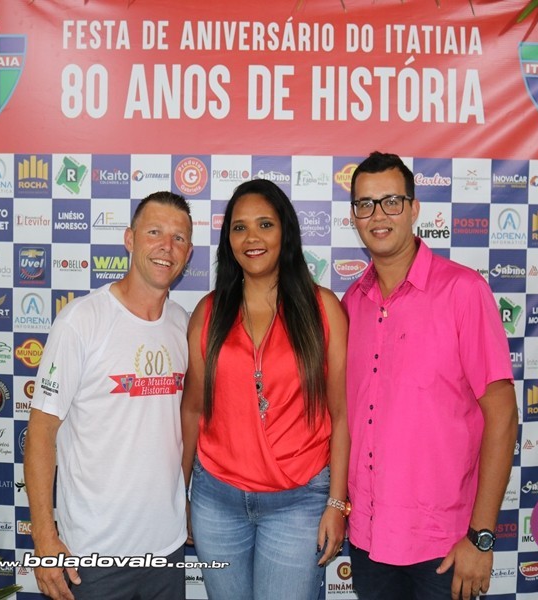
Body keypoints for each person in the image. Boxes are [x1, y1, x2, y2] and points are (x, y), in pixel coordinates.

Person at [343, 152, 518, 600]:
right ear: (354, 216)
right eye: (365, 204)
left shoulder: (464, 291)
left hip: (445, 546)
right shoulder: (352, 302)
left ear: (414, 208)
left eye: (391, 202)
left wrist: (481, 537)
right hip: (368, 539)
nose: (378, 215)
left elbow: (502, 416)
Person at [180, 178, 350, 600]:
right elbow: (192, 410)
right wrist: (178, 495)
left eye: (265, 225)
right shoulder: (208, 312)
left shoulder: (323, 309)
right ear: (228, 240)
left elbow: (342, 414)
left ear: (285, 232)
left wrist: (336, 503)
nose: (251, 238)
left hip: (299, 503)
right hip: (216, 501)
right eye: (239, 227)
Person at [24, 191, 194, 600]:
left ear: (188, 253)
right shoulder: (81, 321)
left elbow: (184, 427)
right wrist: (45, 539)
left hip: (166, 550)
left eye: (178, 238)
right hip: (93, 557)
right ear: (130, 239)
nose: (166, 247)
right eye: (154, 232)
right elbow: (41, 433)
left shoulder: (183, 325)